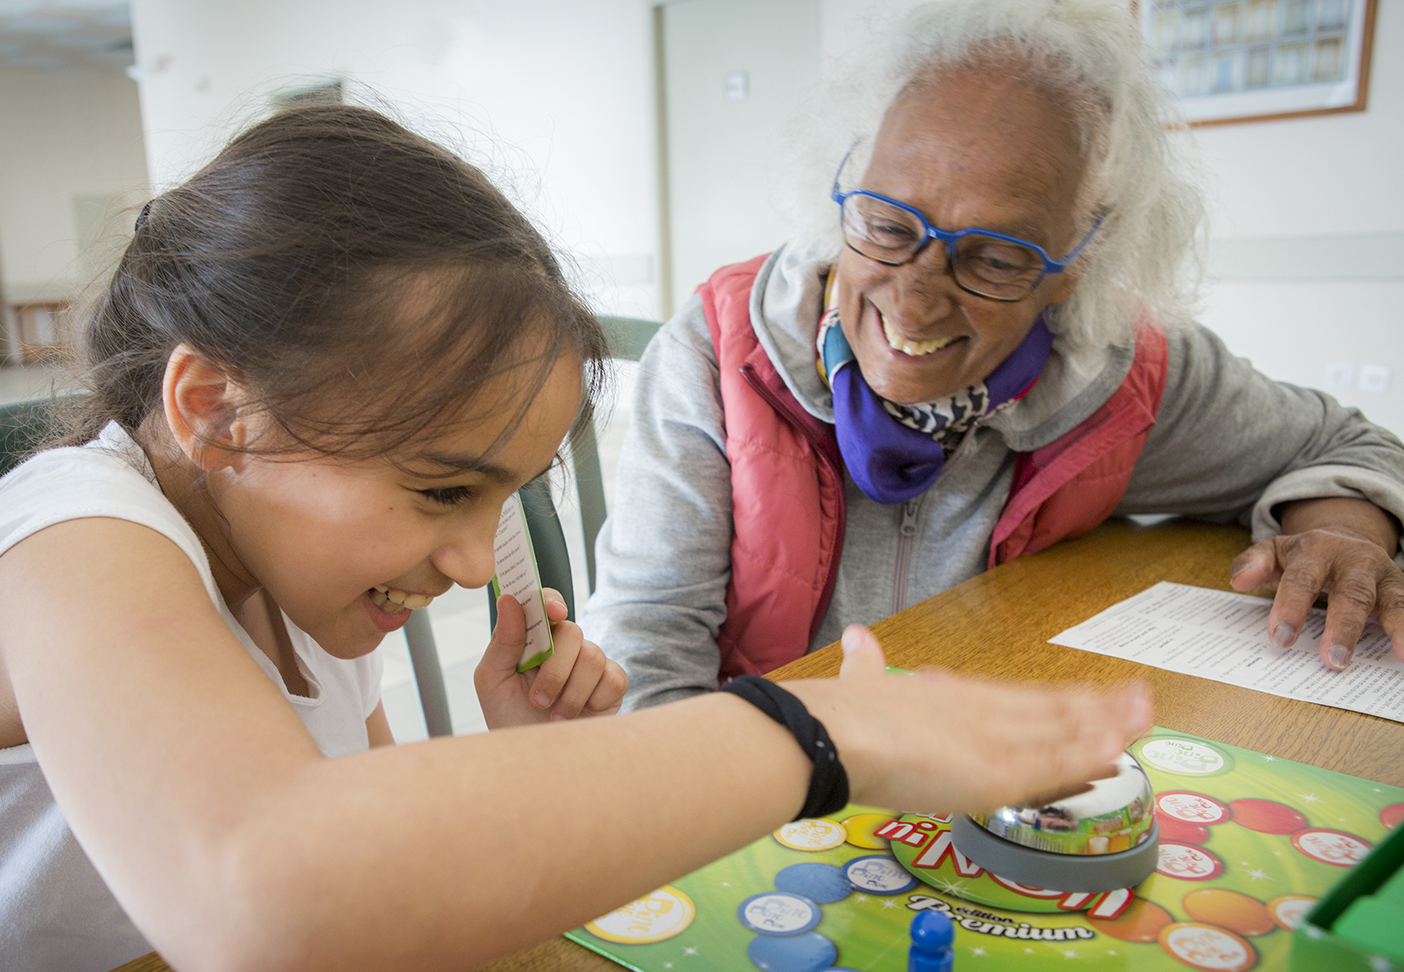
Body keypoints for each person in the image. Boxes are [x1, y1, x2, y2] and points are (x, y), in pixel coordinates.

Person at [0, 103, 1152, 972]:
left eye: (500, 499)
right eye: (438, 490)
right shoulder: (73, 544)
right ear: (214, 408)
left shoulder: (286, 559)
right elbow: (264, 904)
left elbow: (357, 841)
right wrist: (814, 739)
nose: (472, 562)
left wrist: (517, 768)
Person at [581, 0, 1404, 712]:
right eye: (888, 224)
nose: (914, 295)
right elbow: (644, 660)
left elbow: (1345, 444)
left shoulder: (1121, 380)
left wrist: (1344, 526)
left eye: (996, 257)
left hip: (995, 776)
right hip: (761, 784)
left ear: (1077, 265)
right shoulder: (719, 357)